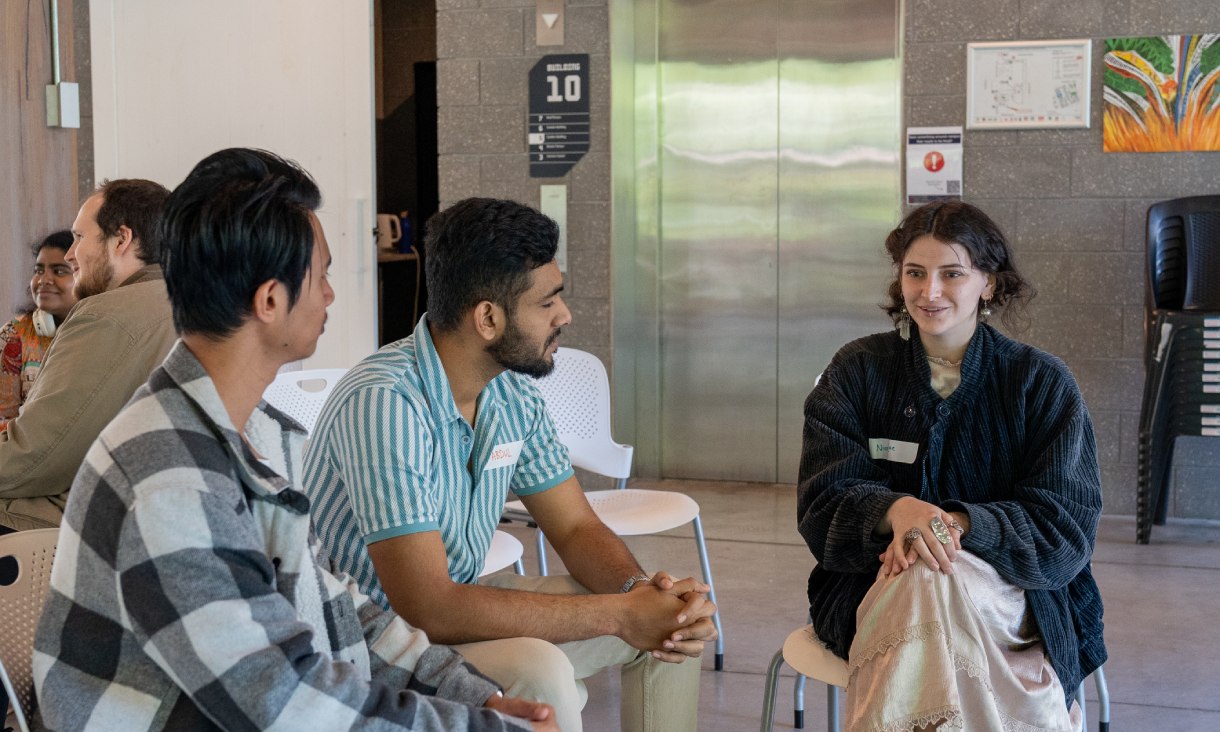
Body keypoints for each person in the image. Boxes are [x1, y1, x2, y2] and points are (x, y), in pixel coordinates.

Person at [33, 148, 555, 731]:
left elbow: (341, 608)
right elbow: (277, 700)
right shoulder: (168, 472)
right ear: (270, 300)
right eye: (322, 275)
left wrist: (473, 696)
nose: (330, 295)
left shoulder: (265, 435)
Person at [303, 197, 717, 732]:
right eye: (548, 302)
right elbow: (428, 607)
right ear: (488, 318)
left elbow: (574, 526)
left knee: (674, 617)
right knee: (539, 669)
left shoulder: (510, 394)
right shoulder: (385, 402)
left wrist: (638, 593)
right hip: (371, 646)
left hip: (452, 614)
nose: (564, 316)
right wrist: (619, 614)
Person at [796, 201, 1106, 731]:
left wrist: (954, 525)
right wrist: (898, 511)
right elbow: (821, 504)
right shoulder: (856, 371)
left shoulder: (1040, 383)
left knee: (932, 576)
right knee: (922, 579)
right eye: (915, 273)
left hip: (1015, 600)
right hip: (873, 587)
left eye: (952, 274)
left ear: (988, 283)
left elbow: (1064, 529)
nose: (930, 291)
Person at [0, 179, 177, 531]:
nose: (70, 254)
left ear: (121, 239)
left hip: (76, 530)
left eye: (79, 237)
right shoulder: (190, 302)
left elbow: (33, 458)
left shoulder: (107, 315)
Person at [0, 231, 78, 431]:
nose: (44, 280)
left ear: (84, 275)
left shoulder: (104, 329)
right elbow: (3, 419)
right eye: (39, 270)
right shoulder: (14, 334)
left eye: (59, 271)